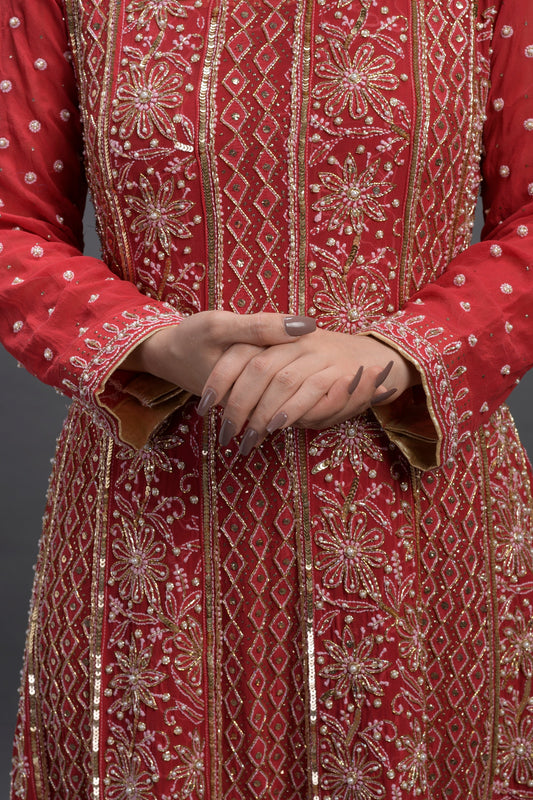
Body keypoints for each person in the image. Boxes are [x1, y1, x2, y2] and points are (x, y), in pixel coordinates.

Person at [1, 0, 532, 797]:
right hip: (157, 521)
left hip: (412, 511)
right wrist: (153, 344)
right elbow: (11, 225)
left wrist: (396, 352)